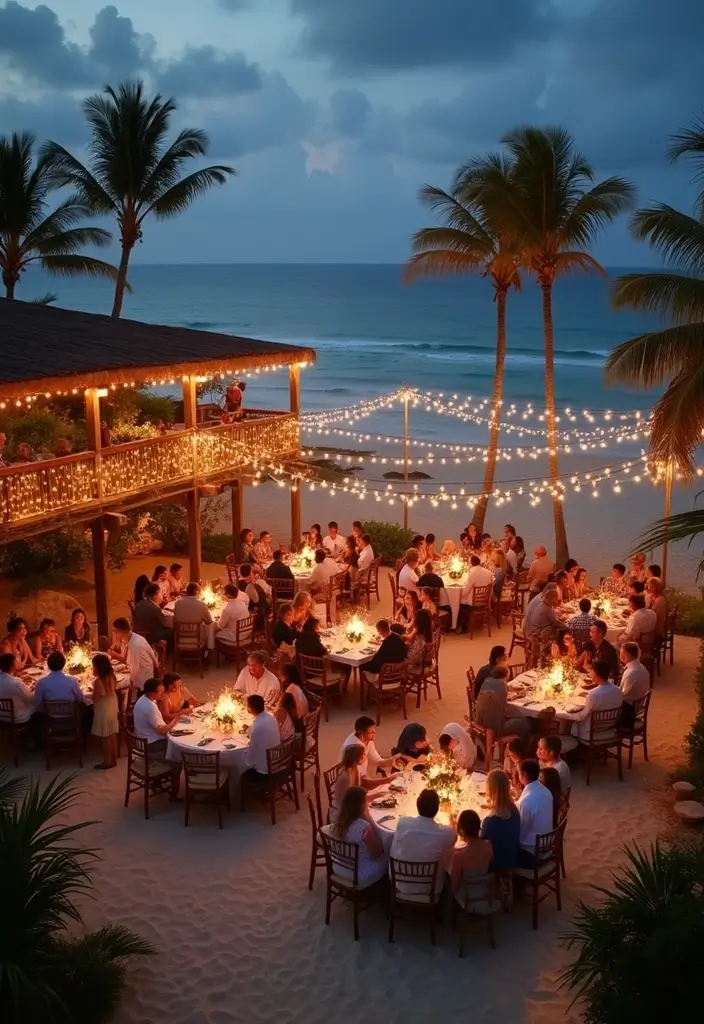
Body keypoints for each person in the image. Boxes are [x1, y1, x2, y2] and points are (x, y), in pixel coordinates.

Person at [390, 788, 457, 895]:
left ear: (417, 805)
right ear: (437, 809)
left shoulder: (403, 823)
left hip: (400, 882)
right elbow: (454, 835)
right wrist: (452, 822)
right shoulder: (447, 834)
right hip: (430, 888)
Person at [329, 786, 388, 887]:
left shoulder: (336, 824)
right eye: (365, 802)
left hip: (339, 867)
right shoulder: (364, 827)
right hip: (358, 874)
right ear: (361, 805)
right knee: (389, 855)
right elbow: (377, 853)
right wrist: (368, 817)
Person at [132, 678, 183, 794]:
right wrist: (175, 720)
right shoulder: (149, 707)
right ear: (152, 693)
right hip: (152, 746)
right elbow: (162, 730)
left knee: (175, 744)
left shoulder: (143, 700)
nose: (162, 694)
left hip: (144, 741)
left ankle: (157, 782)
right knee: (178, 759)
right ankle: (175, 794)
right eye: (160, 692)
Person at [565, 659, 624, 740]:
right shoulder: (618, 690)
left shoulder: (593, 694)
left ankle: (575, 749)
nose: (589, 674)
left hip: (593, 731)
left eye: (591, 672)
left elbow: (582, 717)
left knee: (570, 725)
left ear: (596, 674)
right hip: (610, 728)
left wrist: (568, 710)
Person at [450, 810, 496, 912]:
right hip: (485, 892)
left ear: (462, 830)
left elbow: (454, 886)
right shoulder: (488, 846)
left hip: (466, 897)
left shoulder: (459, 856)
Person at [479, 768, 521, 871]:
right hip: (513, 856)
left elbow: (479, 843)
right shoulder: (514, 809)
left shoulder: (491, 821)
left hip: (498, 863)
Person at [516, 759, 554, 866]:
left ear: (524, 774)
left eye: (519, 773)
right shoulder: (546, 791)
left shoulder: (526, 803)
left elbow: (520, 834)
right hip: (548, 847)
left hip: (533, 855)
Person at [476, 665, 530, 740]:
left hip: (481, 724)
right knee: (525, 723)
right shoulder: (502, 685)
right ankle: (519, 746)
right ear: (504, 676)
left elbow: (502, 689)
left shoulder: (487, 681)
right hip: (496, 728)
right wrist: (516, 695)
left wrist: (516, 690)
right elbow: (505, 707)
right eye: (507, 677)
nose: (508, 679)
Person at [340, 715, 405, 777]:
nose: (374, 735)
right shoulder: (355, 748)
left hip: (360, 777)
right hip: (352, 781)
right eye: (371, 733)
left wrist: (390, 761)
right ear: (361, 733)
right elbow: (360, 776)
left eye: (374, 732)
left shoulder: (366, 740)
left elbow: (376, 760)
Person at [109, 618, 158, 697]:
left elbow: (134, 671)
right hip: (145, 675)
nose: (115, 635)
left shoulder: (134, 645)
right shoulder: (134, 637)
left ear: (122, 631)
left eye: (115, 632)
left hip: (144, 682)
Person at [241, 693, 282, 784]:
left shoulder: (257, 727)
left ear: (251, 709)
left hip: (265, 773)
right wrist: (248, 729)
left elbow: (249, 759)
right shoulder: (271, 718)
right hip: (278, 764)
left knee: (240, 774)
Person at [90, 653, 119, 770]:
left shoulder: (98, 681)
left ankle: (107, 761)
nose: (93, 669)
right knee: (112, 734)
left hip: (103, 709)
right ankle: (114, 759)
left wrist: (92, 697)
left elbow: (99, 695)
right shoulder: (112, 677)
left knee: (105, 736)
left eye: (93, 667)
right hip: (112, 705)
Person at [457, 555, 494, 631]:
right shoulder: (489, 573)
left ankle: (462, 626)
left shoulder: (472, 574)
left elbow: (465, 593)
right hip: (485, 601)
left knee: (459, 602)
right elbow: (491, 588)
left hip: (474, 602)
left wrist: (458, 594)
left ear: (471, 563)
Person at [619, 642, 651, 726]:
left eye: (621, 653)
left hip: (628, 713)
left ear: (625, 655)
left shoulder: (631, 673)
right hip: (637, 706)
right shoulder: (643, 668)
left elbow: (622, 695)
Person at [0, 651, 34, 723]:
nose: (18, 662)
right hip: (17, 717)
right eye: (16, 661)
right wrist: (33, 688)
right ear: (11, 666)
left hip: (1, 716)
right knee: (38, 705)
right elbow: (31, 698)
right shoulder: (15, 682)